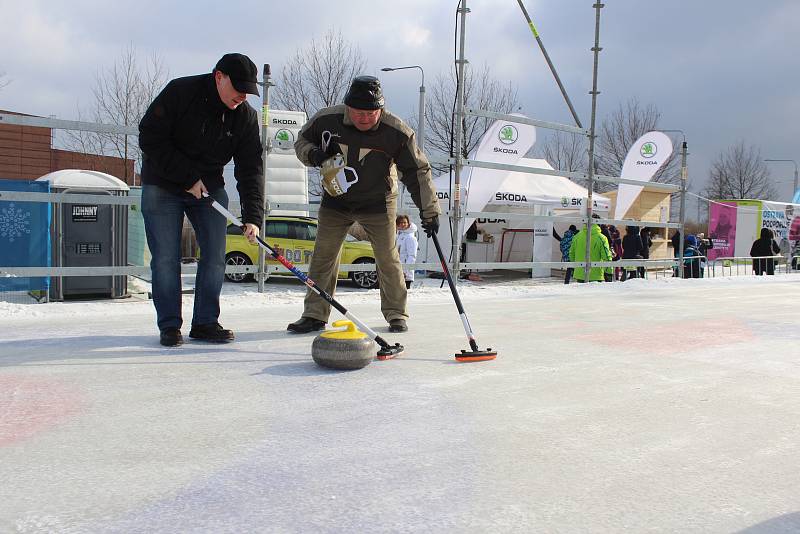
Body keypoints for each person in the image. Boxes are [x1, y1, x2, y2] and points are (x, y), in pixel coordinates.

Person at [287, 75, 440, 334]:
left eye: (371, 113)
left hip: (378, 202)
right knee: (323, 256)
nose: (364, 118)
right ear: (348, 107)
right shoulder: (327, 119)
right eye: (358, 113)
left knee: (387, 258)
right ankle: (314, 313)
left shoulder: (397, 132)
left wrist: (429, 210)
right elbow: (302, 141)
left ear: (381, 109)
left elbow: (417, 173)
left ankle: (396, 314)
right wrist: (314, 154)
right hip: (336, 200)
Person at [139, 53, 264, 347]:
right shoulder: (180, 92)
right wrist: (185, 177)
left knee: (215, 256)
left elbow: (250, 169)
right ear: (219, 76)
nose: (243, 96)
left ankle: (206, 322)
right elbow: (150, 137)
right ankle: (170, 326)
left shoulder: (246, 116)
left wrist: (252, 218)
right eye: (238, 88)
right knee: (167, 258)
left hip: (208, 189)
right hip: (163, 184)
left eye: (248, 91)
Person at [569, 216, 613, 283]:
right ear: (599, 223)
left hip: (579, 275)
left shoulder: (577, 236)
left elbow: (571, 254)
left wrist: (575, 268)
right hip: (596, 276)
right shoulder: (601, 238)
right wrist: (609, 273)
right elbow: (607, 257)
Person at [396, 214, 418, 289]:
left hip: (405, 273)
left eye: (404, 222)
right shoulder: (400, 235)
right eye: (400, 223)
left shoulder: (410, 237)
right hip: (398, 270)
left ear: (408, 223)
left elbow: (412, 256)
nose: (402, 224)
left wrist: (406, 271)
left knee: (404, 294)